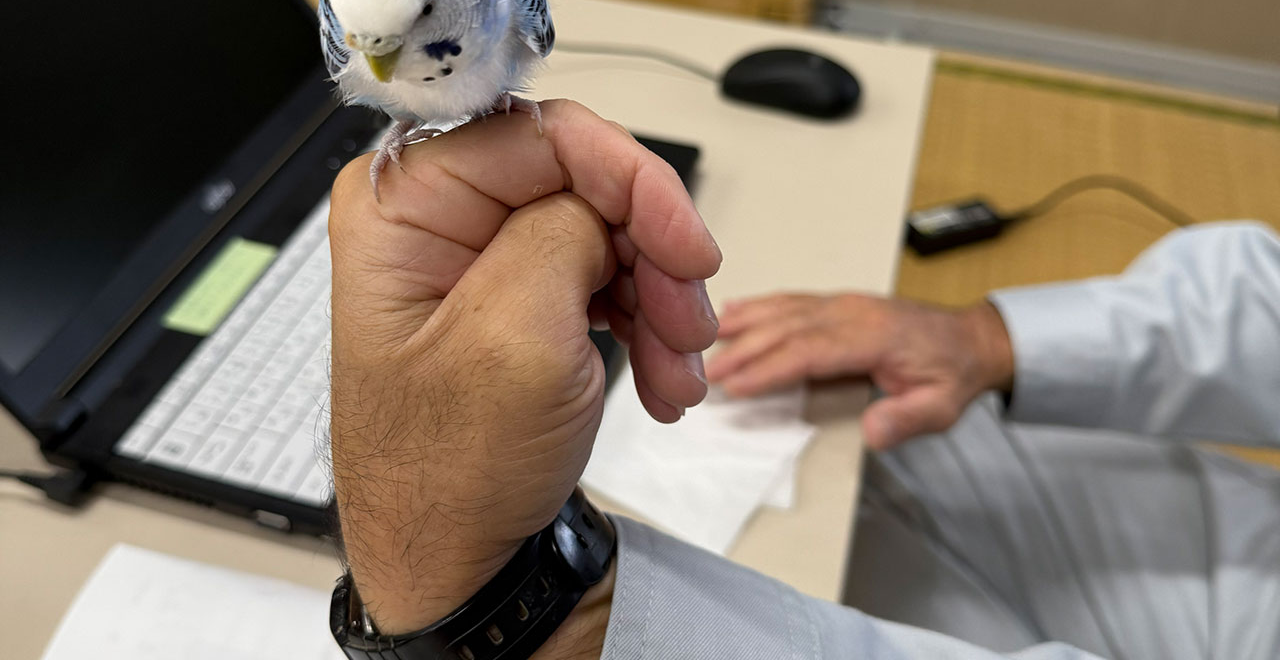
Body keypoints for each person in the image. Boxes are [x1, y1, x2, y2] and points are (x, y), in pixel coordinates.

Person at [327, 99, 1279, 659]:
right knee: (855, 445)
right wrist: (993, 338)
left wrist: (536, 620)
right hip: (1239, 526)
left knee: (791, 555)